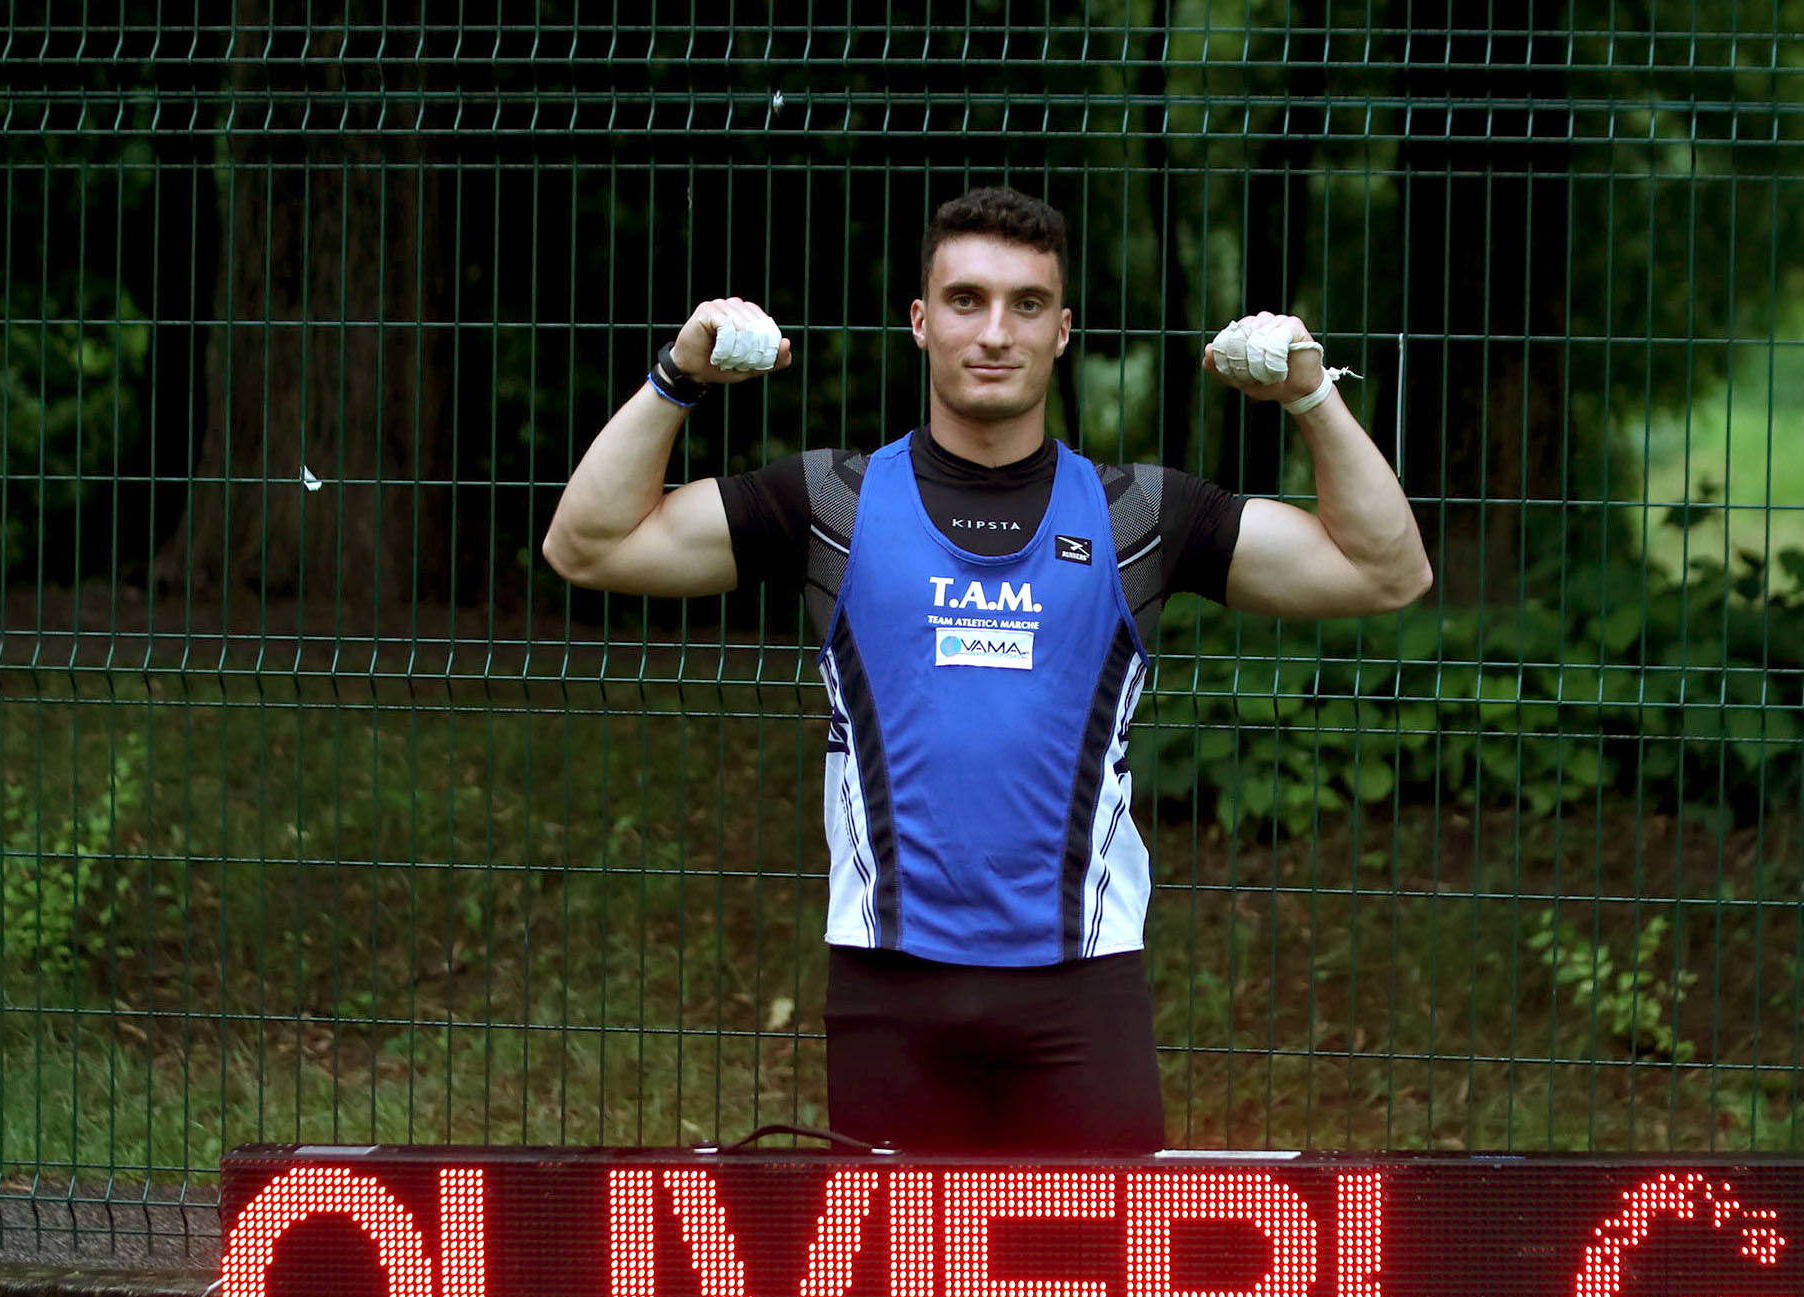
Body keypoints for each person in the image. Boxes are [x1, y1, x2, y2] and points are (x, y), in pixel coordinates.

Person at [541, 186, 1431, 1155]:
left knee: (1092, 1258)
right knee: (905, 1262)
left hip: (1082, 990)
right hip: (890, 986)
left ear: (1063, 331)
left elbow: (1384, 571)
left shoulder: (1139, 517)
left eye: (1027, 304)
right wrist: (677, 376)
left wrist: (1310, 396)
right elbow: (589, 544)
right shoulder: (831, 504)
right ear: (920, 322)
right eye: (965, 300)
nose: (996, 331)